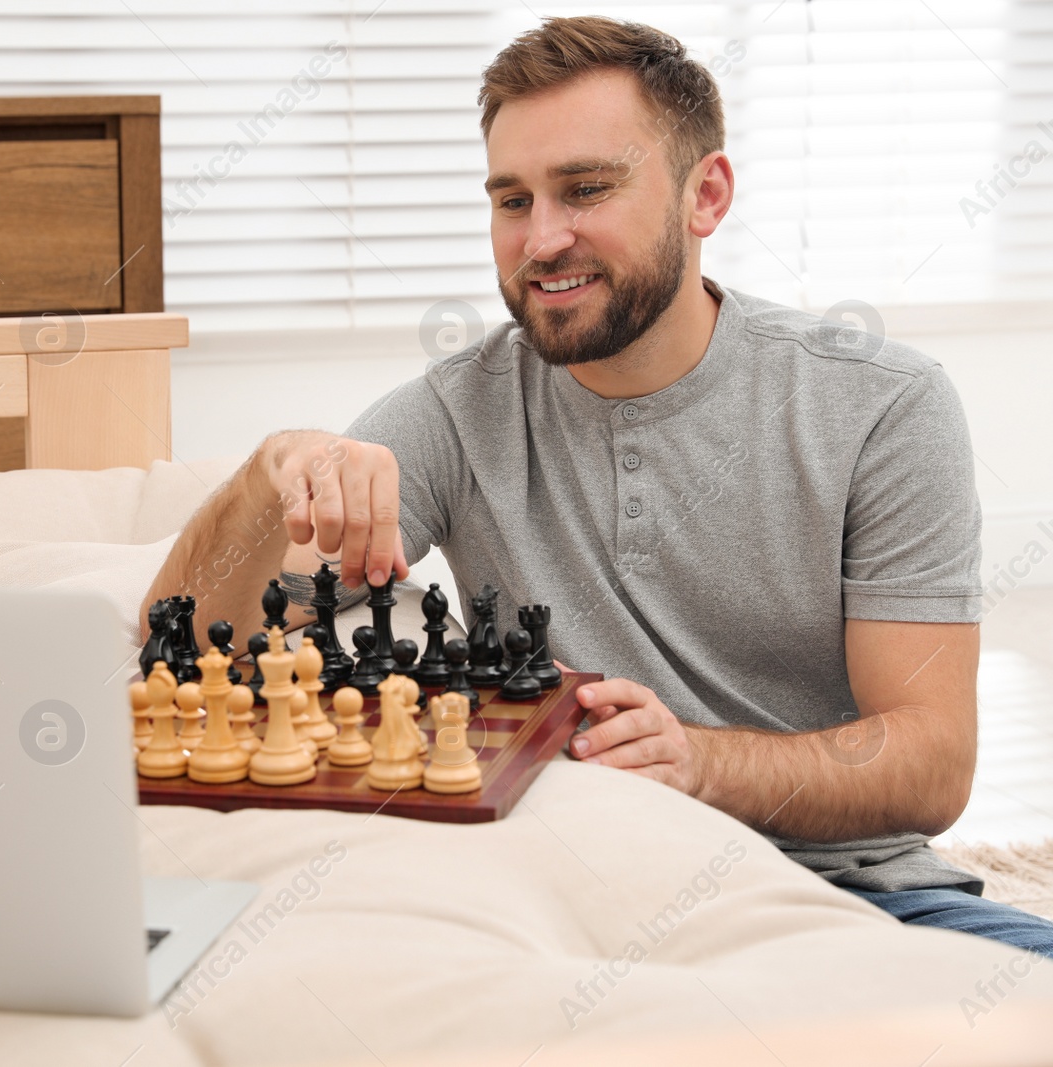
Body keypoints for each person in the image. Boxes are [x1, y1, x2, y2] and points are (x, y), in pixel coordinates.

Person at [142, 16, 1053, 956]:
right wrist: (272, 466)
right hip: (558, 897)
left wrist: (699, 760)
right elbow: (176, 645)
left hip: (849, 894)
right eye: (511, 200)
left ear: (707, 195)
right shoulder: (457, 411)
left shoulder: (883, 407)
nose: (541, 240)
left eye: (586, 190)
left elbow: (931, 763)